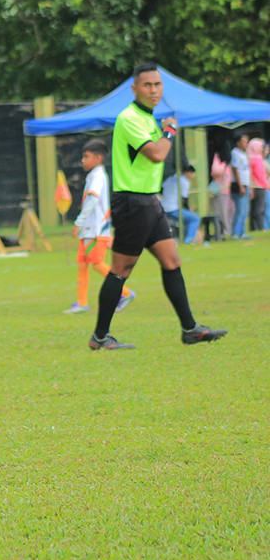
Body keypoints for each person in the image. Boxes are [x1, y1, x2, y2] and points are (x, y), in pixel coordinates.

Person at [89, 62, 227, 351]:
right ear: (135, 88)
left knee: (172, 260)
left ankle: (190, 329)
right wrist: (171, 131)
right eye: (148, 85)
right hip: (132, 202)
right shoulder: (130, 118)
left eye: (158, 85)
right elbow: (156, 154)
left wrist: (164, 129)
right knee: (120, 269)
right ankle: (100, 337)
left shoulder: (146, 118)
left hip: (149, 201)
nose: (154, 90)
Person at [63, 139, 135, 314]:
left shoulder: (98, 176)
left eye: (86, 157)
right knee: (82, 264)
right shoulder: (93, 175)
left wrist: (78, 222)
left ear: (98, 158)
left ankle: (125, 293)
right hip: (89, 230)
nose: (83, 160)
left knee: (96, 264)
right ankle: (82, 303)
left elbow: (93, 200)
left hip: (96, 230)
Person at [160, 165, 200, 243]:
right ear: (187, 172)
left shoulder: (170, 179)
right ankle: (189, 239)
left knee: (183, 219)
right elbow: (184, 199)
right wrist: (188, 210)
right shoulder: (184, 181)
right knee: (195, 218)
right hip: (173, 209)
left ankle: (180, 237)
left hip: (163, 208)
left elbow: (161, 190)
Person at [230, 133, 252, 239]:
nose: (245, 144)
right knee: (240, 209)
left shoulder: (244, 154)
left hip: (246, 183)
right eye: (244, 141)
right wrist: (241, 186)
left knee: (245, 210)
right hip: (239, 184)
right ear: (238, 142)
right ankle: (235, 232)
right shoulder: (235, 153)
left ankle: (242, 232)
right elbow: (235, 169)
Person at [209, 145, 234, 240]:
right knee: (220, 212)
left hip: (226, 190)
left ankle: (227, 230)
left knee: (228, 211)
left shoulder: (228, 161)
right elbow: (215, 171)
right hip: (218, 190)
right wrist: (223, 165)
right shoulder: (218, 159)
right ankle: (223, 231)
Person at [247, 138, 267, 232]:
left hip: (254, 186)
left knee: (254, 209)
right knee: (259, 208)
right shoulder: (257, 160)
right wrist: (266, 185)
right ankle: (260, 227)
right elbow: (260, 174)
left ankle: (254, 227)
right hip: (259, 186)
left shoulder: (251, 158)